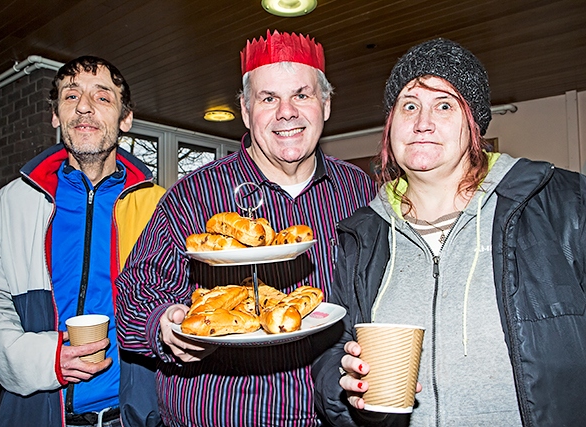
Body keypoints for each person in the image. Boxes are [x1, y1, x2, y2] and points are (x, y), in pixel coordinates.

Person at [312, 38, 586, 426]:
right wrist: (344, 386)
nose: (422, 122)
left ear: (473, 123)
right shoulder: (364, 234)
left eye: (444, 105)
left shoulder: (565, 204)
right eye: (409, 106)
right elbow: (333, 348)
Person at [115, 30, 376, 426]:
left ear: (325, 104)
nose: (286, 111)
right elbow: (136, 289)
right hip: (224, 414)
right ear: (245, 108)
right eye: (268, 98)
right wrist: (164, 324)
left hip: (334, 414)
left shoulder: (359, 190)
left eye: (301, 95)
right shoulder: (194, 193)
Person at [0, 56, 165, 427]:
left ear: (125, 118)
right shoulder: (9, 205)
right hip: (36, 414)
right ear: (56, 115)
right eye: (71, 96)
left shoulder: (161, 208)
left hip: (139, 417)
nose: (84, 106)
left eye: (102, 97)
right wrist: (44, 359)